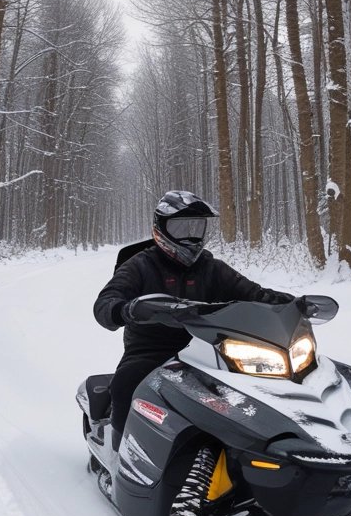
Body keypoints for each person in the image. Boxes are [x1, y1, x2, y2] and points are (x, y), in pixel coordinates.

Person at [94, 190, 293, 450]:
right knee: (127, 383)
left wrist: (291, 304)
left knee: (257, 387)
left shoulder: (212, 268)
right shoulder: (140, 265)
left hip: (208, 347)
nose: (190, 236)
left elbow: (254, 294)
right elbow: (106, 302)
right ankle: (119, 453)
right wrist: (127, 309)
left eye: (196, 227)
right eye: (181, 228)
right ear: (161, 229)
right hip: (151, 348)